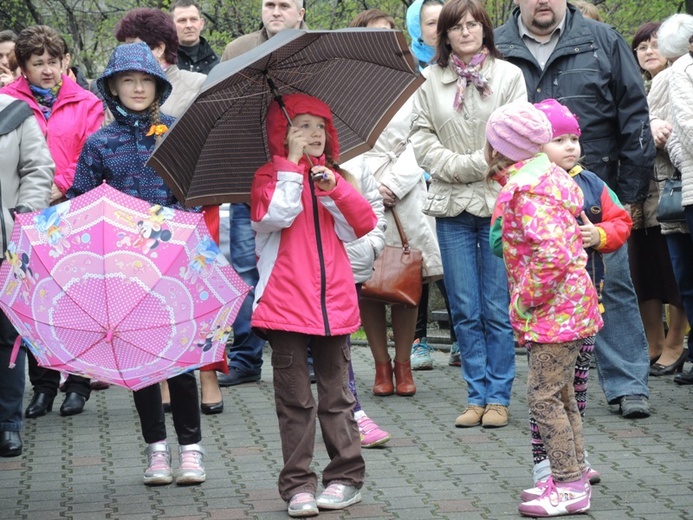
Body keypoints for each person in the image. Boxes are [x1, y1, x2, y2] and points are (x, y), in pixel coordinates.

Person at [495, 0, 655, 419]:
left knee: (613, 288)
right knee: (545, 291)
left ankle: (626, 384)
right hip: (532, 201)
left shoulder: (602, 40)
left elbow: (634, 113)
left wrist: (631, 193)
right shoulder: (497, 47)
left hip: (595, 192)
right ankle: (553, 389)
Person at [67, 41, 206, 486]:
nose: (138, 87)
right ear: (112, 86)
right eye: (128, 80)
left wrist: (178, 232)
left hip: (172, 261)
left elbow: (193, 195)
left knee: (180, 363)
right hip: (122, 267)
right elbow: (81, 206)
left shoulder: (175, 132)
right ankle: (156, 451)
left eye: (146, 79)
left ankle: (191, 451)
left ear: (159, 85)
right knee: (142, 366)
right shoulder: (99, 143)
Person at [251, 93, 375, 516]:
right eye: (301, 125)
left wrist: (333, 188)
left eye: (320, 125)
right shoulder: (268, 176)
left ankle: (345, 477)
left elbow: (361, 224)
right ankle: (298, 484)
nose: (313, 134)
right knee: (294, 401)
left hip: (334, 305)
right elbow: (274, 217)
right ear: (281, 134)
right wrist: (290, 169)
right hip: (285, 305)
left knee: (337, 396)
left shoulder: (333, 177)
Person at [410, 0, 526, 428]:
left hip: (499, 203)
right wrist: (472, 166)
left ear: (485, 29)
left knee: (496, 306)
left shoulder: (509, 76)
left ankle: (499, 396)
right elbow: (421, 141)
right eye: (455, 26)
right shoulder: (428, 80)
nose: (465, 32)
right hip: (450, 203)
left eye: (473, 24)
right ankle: (475, 395)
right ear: (443, 34)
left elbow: (518, 137)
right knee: (464, 307)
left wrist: (483, 167)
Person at [486, 101, 602, 518]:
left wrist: (525, 299)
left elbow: (552, 255)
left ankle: (569, 485)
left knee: (543, 399)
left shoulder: (527, 189)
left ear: (502, 148)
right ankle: (572, 472)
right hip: (572, 307)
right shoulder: (549, 179)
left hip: (554, 313)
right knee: (563, 395)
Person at [114, 7, 225, 414]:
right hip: (140, 206)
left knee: (200, 291)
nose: (127, 61)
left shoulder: (194, 83)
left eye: (135, 48)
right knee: (151, 295)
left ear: (159, 47)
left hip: (189, 197)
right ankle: (159, 374)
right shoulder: (121, 90)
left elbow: (208, 137)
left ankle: (209, 374)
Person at [523, 98, 632, 489]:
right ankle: (544, 462)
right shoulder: (527, 189)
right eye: (559, 139)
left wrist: (599, 235)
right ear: (536, 146)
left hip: (587, 305)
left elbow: (622, 221)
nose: (570, 146)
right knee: (548, 391)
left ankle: (574, 456)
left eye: (574, 138)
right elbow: (504, 239)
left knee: (576, 389)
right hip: (547, 310)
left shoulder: (593, 184)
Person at [1, 25, 104, 418]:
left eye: (53, 62)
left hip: (73, 207)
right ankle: (43, 386)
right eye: (37, 63)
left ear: (65, 62)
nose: (47, 70)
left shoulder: (87, 102)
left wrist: (59, 185)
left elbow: (91, 152)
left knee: (76, 299)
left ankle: (78, 383)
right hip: (22, 215)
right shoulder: (8, 103)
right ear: (23, 68)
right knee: (34, 302)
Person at [346, 9, 442, 397]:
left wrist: (395, 184)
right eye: (372, 35)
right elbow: (340, 144)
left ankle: (404, 365)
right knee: (368, 282)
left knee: (407, 279)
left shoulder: (415, 82)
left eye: (388, 34)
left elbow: (424, 137)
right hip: (358, 193)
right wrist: (368, 186)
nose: (381, 41)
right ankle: (380, 367)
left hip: (407, 193)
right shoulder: (342, 86)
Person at [217, 0, 309, 387]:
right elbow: (220, 108)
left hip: (301, 176)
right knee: (243, 270)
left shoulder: (314, 50)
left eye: (285, 5)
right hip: (247, 175)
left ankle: (310, 357)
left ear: (301, 11)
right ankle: (245, 357)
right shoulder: (238, 51)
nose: (275, 11)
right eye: (269, 4)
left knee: (303, 268)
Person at [629, 22, 689, 375]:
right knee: (645, 271)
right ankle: (653, 343)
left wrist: (646, 130)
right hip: (641, 195)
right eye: (641, 47)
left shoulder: (673, 79)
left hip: (668, 188)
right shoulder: (640, 85)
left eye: (655, 44)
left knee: (672, 272)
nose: (649, 51)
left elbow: (667, 131)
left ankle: (674, 342)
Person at [404, 0, 460, 370]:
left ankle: (460, 338)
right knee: (418, 263)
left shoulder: (468, 69)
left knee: (453, 264)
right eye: (429, 23)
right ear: (417, 28)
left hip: (453, 176)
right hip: (413, 181)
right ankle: (417, 340)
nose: (438, 29)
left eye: (445, 22)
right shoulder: (405, 68)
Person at [0, 94, 54, 457]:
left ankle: (7, 423)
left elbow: (38, 168)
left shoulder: (13, 113)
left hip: (6, 242)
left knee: (7, 338)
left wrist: (22, 216)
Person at [658, 15, 693, 385]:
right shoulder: (676, 74)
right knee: (684, 279)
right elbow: (673, 129)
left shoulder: (677, 73)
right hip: (680, 188)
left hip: (681, 185)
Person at [170, 0, 219, 74]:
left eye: (193, 19)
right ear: (171, 25)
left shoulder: (217, 63)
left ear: (201, 24)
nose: (189, 25)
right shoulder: (164, 63)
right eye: (182, 20)